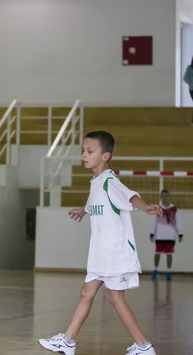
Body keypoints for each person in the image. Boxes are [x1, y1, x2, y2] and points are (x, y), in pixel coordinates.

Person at [38, 131, 162, 355]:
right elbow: (97, 202)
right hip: (100, 254)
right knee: (87, 292)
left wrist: (144, 207)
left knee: (115, 298)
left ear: (105, 156)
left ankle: (143, 347)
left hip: (114, 253)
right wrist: (83, 211)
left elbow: (130, 196)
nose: (84, 155)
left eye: (90, 151)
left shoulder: (110, 182)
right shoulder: (96, 182)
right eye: (83, 151)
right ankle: (67, 341)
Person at [150, 189, 183, 281]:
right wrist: (152, 233)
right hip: (159, 235)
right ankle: (155, 271)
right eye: (162, 196)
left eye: (166, 196)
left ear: (169, 197)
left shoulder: (174, 209)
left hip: (170, 236)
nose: (164, 198)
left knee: (169, 254)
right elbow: (153, 222)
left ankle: (168, 272)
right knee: (157, 254)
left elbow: (178, 222)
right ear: (160, 197)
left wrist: (180, 233)